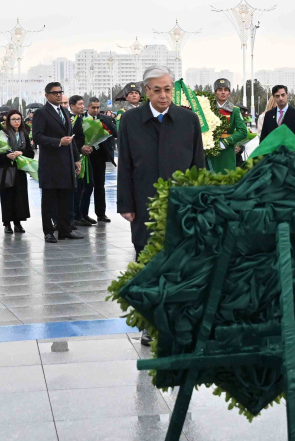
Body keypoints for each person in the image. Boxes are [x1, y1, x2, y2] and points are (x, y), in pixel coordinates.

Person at [116, 65, 206, 290]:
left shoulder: (189, 119)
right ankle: (150, 309)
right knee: (146, 255)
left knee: (182, 256)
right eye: (157, 90)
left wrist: (200, 200)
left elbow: (198, 164)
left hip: (181, 202)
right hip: (144, 200)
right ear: (147, 90)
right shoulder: (130, 120)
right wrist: (125, 204)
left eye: (168, 89)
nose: (163, 95)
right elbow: (124, 164)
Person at [31, 82, 83, 243]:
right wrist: (58, 141)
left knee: (66, 198)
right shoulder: (41, 113)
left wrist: (76, 158)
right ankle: (48, 232)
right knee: (49, 200)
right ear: (47, 95)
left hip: (67, 163)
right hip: (51, 164)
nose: (59, 95)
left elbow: (71, 137)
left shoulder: (65, 112)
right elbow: (37, 137)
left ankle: (65, 229)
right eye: (55, 93)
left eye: (61, 92)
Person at [0, 110, 33, 234]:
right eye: (14, 119)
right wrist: (7, 156)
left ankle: (18, 222)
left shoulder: (24, 133)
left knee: (20, 196)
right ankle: (7, 223)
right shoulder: (2, 134)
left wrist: (21, 153)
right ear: (8, 121)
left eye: (18, 119)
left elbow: (30, 152)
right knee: (7, 197)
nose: (16, 122)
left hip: (19, 170)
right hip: (6, 169)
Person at [80, 97, 114, 222]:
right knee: (86, 186)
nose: (96, 110)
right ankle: (83, 214)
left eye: (98, 107)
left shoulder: (106, 119)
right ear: (87, 107)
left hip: (100, 157)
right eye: (93, 107)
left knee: (100, 185)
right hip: (85, 157)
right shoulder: (81, 119)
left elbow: (114, 133)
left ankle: (101, 213)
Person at [67, 95, 96, 228]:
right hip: (75, 158)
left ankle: (83, 213)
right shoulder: (70, 119)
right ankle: (75, 215)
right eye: (79, 104)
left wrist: (90, 145)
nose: (82, 106)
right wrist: (80, 148)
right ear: (72, 106)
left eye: (83, 104)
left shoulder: (82, 118)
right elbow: (71, 139)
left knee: (88, 186)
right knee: (78, 187)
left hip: (85, 156)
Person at [209, 77, 247, 173]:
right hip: (210, 149)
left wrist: (226, 142)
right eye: (220, 90)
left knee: (227, 178)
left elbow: (243, 132)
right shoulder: (207, 108)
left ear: (229, 94)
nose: (223, 92)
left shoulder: (235, 110)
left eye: (226, 90)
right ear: (215, 92)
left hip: (227, 151)